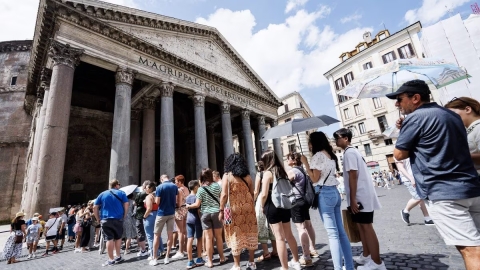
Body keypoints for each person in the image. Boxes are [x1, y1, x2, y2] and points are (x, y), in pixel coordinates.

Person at [388, 80, 480, 270]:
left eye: (399, 99)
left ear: (415, 98)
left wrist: (405, 128)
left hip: (443, 191)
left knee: (470, 250)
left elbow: (399, 154)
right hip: (470, 186)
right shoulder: (451, 115)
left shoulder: (416, 118)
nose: (397, 104)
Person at [302, 132, 354, 270]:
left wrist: (306, 164)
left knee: (332, 234)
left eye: (310, 142)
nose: (309, 145)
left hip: (325, 194)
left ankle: (338, 267)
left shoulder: (317, 156)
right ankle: (349, 266)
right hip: (335, 193)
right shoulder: (330, 155)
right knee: (341, 232)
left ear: (314, 142)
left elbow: (314, 179)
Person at [334, 128, 385, 270]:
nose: (336, 141)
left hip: (360, 195)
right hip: (361, 195)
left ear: (345, 138)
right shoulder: (351, 151)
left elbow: (353, 176)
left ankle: (377, 262)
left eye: (337, 138)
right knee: (361, 227)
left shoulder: (350, 153)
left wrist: (353, 198)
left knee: (367, 227)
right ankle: (367, 254)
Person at [258, 150, 301, 270]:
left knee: (279, 237)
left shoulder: (268, 173)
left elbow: (264, 194)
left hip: (272, 205)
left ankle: (285, 267)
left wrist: (262, 206)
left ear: (266, 160)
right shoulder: (282, 171)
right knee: (289, 234)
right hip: (284, 204)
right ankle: (296, 261)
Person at [220, 153, 258, 270]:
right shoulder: (247, 176)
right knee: (250, 232)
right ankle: (252, 262)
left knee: (235, 234)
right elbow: (252, 192)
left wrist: (221, 209)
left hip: (234, 209)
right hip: (249, 208)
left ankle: (237, 265)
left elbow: (224, 194)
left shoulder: (227, 176)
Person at [187, 168, 227, 268]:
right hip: (216, 213)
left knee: (208, 238)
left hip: (205, 214)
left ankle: (209, 261)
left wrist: (188, 206)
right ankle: (222, 257)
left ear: (201, 177)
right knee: (218, 237)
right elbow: (221, 197)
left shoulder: (200, 189)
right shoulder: (216, 186)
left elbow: (197, 204)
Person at [286, 152, 317, 267]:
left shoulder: (293, 171)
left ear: (294, 160)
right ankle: (312, 249)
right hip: (304, 201)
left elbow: (285, 183)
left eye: (288, 158)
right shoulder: (302, 170)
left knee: (301, 228)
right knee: (308, 225)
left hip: (296, 202)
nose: (287, 160)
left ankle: (306, 256)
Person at [93, 179, 129, 267]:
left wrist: (98, 218)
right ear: (116, 185)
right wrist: (124, 215)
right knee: (118, 237)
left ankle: (111, 259)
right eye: (119, 184)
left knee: (109, 239)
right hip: (118, 218)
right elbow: (126, 204)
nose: (119, 186)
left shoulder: (102, 194)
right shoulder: (121, 193)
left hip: (105, 219)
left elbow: (95, 207)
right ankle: (118, 255)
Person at [444, 96, 480, 174]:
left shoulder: (478, 127)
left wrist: (460, 155)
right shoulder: (470, 130)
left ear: (468, 109)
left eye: (453, 114)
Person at [150, 174, 179, 265]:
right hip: (171, 213)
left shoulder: (160, 187)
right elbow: (176, 200)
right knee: (170, 235)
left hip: (161, 213)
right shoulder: (174, 186)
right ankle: (167, 257)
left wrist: (155, 198)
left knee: (156, 236)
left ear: (161, 179)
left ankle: (154, 258)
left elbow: (157, 202)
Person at [396, 158, 434, 226]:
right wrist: (411, 178)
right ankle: (405, 211)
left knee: (422, 199)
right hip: (409, 179)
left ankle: (427, 218)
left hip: (418, 177)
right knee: (418, 197)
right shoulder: (399, 152)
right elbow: (401, 168)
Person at [253, 160, 278, 262]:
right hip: (274, 199)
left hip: (263, 200)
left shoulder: (260, 174)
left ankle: (266, 252)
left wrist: (253, 201)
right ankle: (275, 250)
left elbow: (256, 190)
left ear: (259, 167)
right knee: (273, 225)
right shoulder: (273, 172)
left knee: (262, 225)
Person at [185, 180, 206, 269]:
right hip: (196, 219)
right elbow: (198, 210)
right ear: (196, 187)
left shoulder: (187, 197)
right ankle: (199, 258)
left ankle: (190, 260)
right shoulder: (197, 197)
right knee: (199, 239)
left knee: (190, 239)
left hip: (188, 219)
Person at [143, 182, 163, 260]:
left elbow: (149, 208)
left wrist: (144, 216)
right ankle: (161, 250)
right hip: (157, 214)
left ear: (150, 188)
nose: (145, 189)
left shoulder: (149, 197)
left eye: (146, 188)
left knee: (150, 236)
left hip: (150, 216)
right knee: (157, 234)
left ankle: (153, 253)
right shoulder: (156, 196)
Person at [172, 174, 188, 259]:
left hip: (179, 210)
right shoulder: (186, 189)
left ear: (180, 182)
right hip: (186, 210)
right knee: (184, 231)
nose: (175, 183)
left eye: (176, 182)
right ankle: (185, 249)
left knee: (180, 232)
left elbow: (178, 203)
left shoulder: (179, 190)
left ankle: (180, 251)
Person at [134, 180, 150, 257]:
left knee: (140, 232)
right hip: (150, 214)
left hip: (140, 215)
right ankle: (151, 248)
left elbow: (135, 203)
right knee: (151, 232)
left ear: (144, 186)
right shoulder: (152, 194)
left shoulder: (140, 194)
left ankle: (143, 250)